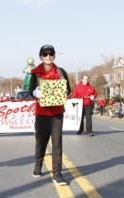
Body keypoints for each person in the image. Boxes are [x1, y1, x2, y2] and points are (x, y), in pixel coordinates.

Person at [28, 45, 71, 186]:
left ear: (54, 56)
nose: (48, 57)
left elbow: (68, 89)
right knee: (41, 141)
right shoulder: (35, 73)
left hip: (57, 112)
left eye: (51, 54)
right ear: (41, 57)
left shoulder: (61, 72)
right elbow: (30, 90)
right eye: (45, 55)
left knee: (57, 142)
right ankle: (38, 164)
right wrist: (36, 92)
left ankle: (57, 174)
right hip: (42, 113)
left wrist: (63, 92)